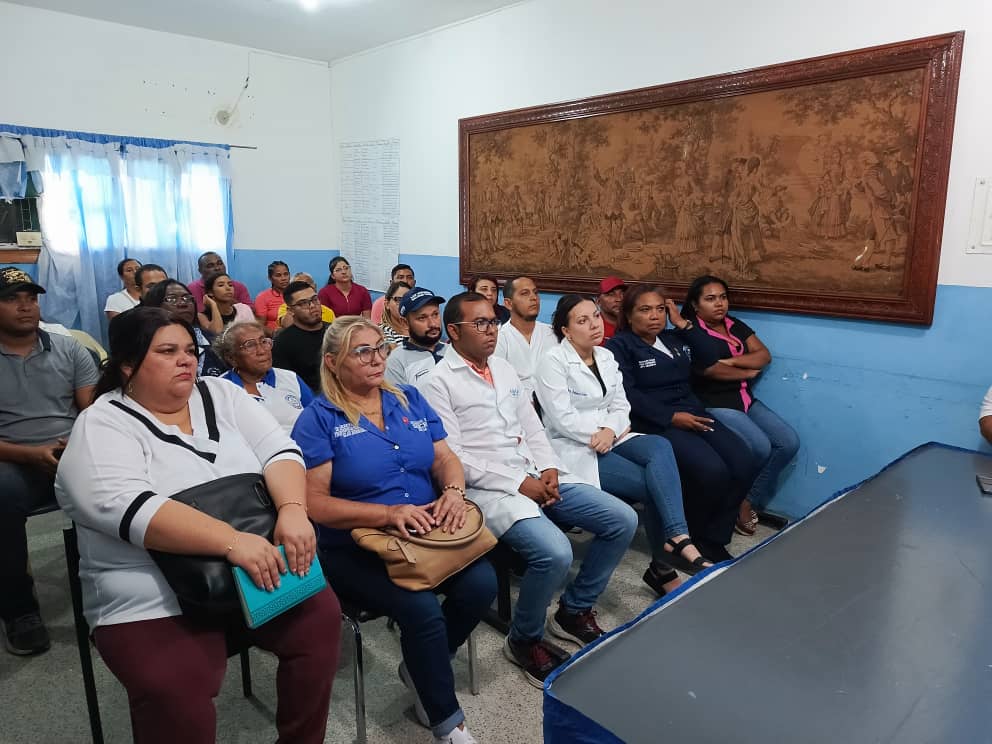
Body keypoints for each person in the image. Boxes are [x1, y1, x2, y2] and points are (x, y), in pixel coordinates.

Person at [55, 307, 341, 744]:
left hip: (255, 568)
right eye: (167, 351)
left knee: (318, 620)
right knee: (177, 692)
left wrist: (292, 509)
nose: (185, 360)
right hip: (150, 592)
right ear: (128, 364)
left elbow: (280, 451)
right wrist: (232, 542)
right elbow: (130, 507)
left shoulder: (222, 395)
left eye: (189, 350)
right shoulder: (101, 424)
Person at [291, 317, 493, 744]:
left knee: (481, 585)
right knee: (422, 611)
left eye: (380, 348)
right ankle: (448, 725)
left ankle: (423, 667)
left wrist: (453, 492)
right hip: (356, 546)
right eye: (361, 351)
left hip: (424, 532)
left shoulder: (408, 398)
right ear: (332, 362)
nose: (377, 358)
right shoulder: (319, 419)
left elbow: (445, 459)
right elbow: (315, 503)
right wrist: (386, 514)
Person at [423, 292, 637, 687]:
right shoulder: (437, 382)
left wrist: (549, 467)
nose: (492, 330)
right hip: (491, 489)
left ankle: (573, 610)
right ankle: (523, 639)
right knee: (556, 552)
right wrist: (520, 483)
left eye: (493, 322)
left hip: (535, 472)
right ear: (453, 331)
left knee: (622, 519)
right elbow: (454, 458)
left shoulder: (503, 368)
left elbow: (532, 426)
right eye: (481, 323)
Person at [536, 295, 711, 597]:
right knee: (653, 485)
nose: (594, 324)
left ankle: (677, 535)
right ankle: (663, 566)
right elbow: (561, 419)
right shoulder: (552, 361)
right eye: (582, 321)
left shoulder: (605, 356)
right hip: (577, 446)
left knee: (659, 445)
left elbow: (621, 405)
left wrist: (610, 430)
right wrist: (600, 433)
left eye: (595, 316)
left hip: (612, 435)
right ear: (566, 331)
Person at [605, 285, 757, 563]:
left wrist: (682, 323)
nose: (655, 316)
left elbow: (710, 356)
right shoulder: (620, 346)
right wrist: (671, 417)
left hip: (693, 412)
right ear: (628, 314)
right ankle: (687, 541)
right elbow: (627, 394)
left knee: (743, 460)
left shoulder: (673, 338)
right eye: (645, 310)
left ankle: (713, 537)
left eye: (660, 309)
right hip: (655, 421)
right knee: (711, 471)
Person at [0, 268, 98, 655]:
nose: (25, 306)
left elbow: (93, 411)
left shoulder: (69, 349)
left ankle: (115, 594)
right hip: (12, 460)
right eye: (12, 299)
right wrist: (29, 454)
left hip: (70, 451)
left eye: (31, 298)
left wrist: (79, 443)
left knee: (123, 477)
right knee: (2, 493)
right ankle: (20, 609)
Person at [681, 276, 800, 534]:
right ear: (695, 304)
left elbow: (763, 356)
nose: (719, 304)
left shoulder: (733, 324)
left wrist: (731, 362)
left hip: (744, 398)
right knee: (760, 447)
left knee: (788, 442)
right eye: (710, 299)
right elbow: (708, 371)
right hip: (714, 402)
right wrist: (745, 370)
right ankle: (733, 504)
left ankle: (746, 500)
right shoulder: (691, 331)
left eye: (723, 297)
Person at [215, 321, 313, 433]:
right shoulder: (220, 390)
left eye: (264, 341)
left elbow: (316, 419)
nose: (262, 351)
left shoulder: (290, 378)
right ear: (231, 358)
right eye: (250, 345)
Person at [493, 275, 557, 405]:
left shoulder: (552, 333)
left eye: (535, 292)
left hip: (554, 405)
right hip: (516, 407)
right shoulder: (499, 338)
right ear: (508, 303)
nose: (534, 298)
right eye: (524, 293)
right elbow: (497, 384)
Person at [143, 279, 227, 377]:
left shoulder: (213, 341)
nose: (183, 304)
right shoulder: (145, 342)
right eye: (172, 299)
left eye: (187, 298)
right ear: (155, 306)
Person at [272, 280, 330, 393]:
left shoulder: (335, 332)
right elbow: (285, 385)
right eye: (303, 303)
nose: (312, 306)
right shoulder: (282, 343)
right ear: (290, 310)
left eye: (314, 299)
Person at [384, 287, 447, 390]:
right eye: (422, 318)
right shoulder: (396, 362)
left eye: (435, 314)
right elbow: (398, 399)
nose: (433, 324)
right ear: (405, 323)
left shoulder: (453, 351)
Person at [254, 261, 291, 330]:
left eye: (286, 274)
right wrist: (273, 333)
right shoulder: (262, 297)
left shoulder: (296, 294)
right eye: (278, 275)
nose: (283, 278)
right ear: (270, 278)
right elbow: (260, 325)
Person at [380, 280, 412, 345]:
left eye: (408, 300)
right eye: (399, 300)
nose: (404, 304)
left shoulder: (419, 328)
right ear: (387, 304)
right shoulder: (381, 331)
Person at [596, 276, 626, 343]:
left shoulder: (635, 325)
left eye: (623, 293)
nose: (619, 299)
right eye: (611, 294)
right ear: (598, 301)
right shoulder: (593, 328)